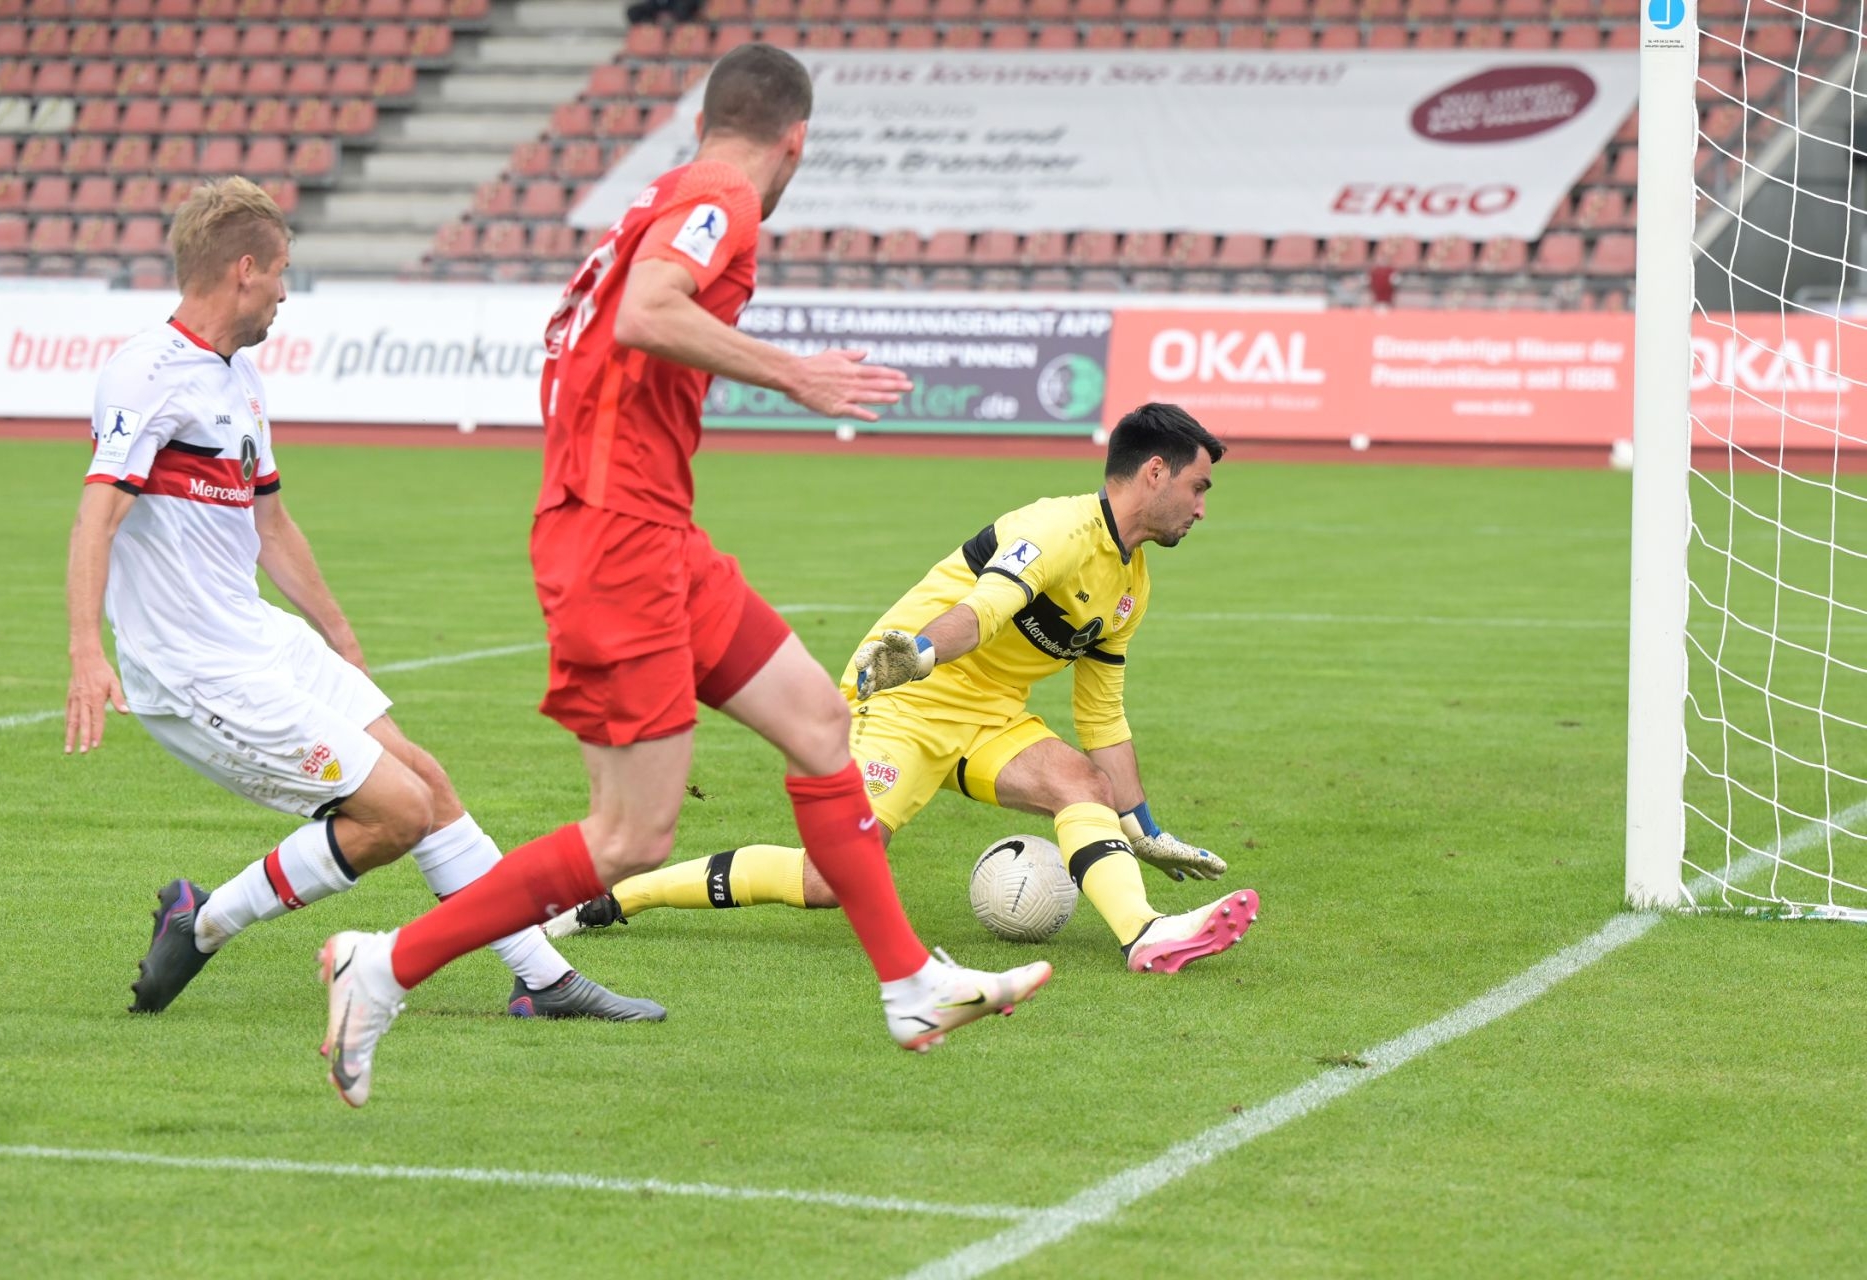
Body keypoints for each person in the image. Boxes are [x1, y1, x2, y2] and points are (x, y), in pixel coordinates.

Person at [315, 44, 1051, 1107]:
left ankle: (908, 984)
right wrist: (794, 373)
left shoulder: (666, 193)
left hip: (652, 531)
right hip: (616, 538)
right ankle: (384, 964)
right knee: (630, 836)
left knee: (820, 725)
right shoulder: (721, 197)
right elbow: (647, 312)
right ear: (797, 139)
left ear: (705, 119)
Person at [65, 176, 662, 1025]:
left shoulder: (239, 378)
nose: (284, 292)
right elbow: (97, 513)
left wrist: (340, 636)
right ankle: (207, 923)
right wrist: (87, 652)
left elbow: (272, 525)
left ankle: (545, 979)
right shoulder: (148, 373)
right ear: (243, 269)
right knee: (396, 813)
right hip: (194, 669)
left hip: (258, 638)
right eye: (281, 271)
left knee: (427, 780)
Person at [548, 403, 1259, 972]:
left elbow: (1101, 713)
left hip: (988, 717)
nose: (1201, 508)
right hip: (904, 700)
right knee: (828, 881)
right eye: (1199, 487)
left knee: (1084, 785)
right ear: (1156, 473)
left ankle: (1143, 933)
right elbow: (983, 611)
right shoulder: (1056, 529)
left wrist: (1144, 828)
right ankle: (619, 896)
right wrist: (915, 655)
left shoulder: (1131, 583)